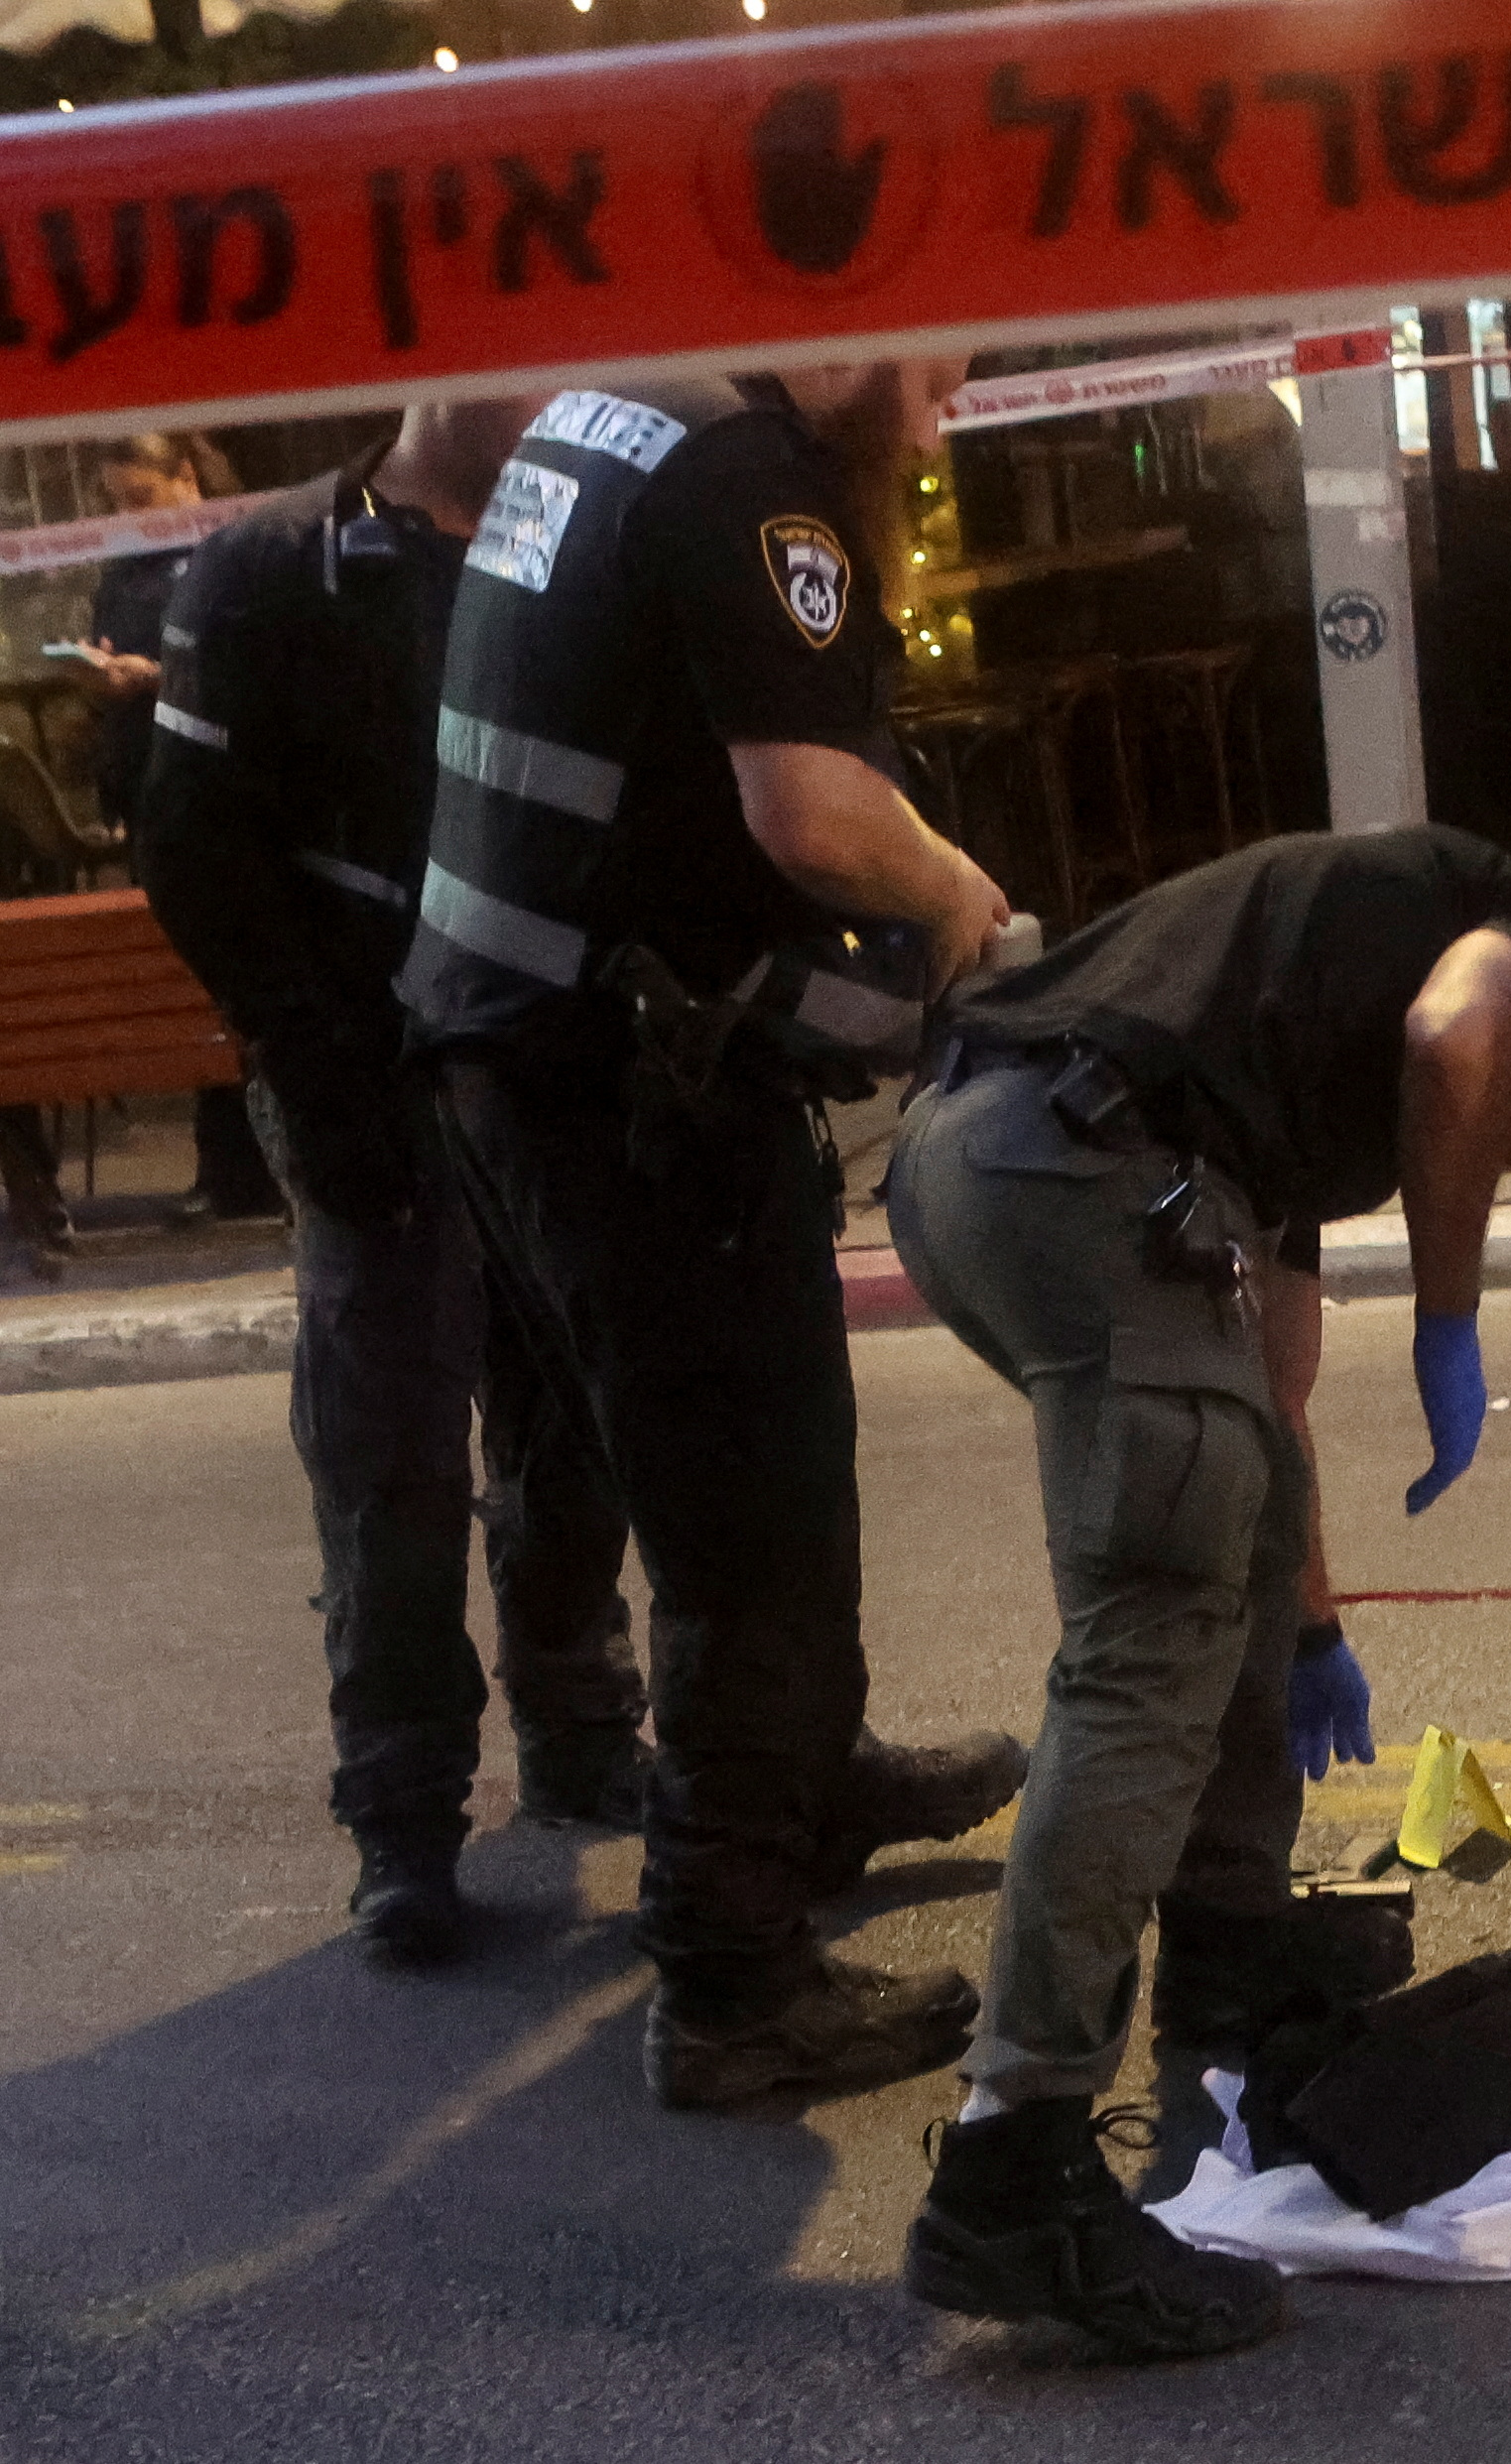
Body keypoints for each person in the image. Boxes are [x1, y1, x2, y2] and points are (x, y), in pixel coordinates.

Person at [888, 825, 1511, 2358]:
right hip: (1076, 1167)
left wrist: (1316, 1629)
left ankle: (1227, 1939)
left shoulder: (1276, 1060)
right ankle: (1015, 2165)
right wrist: (1449, 1314)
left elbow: (1270, 1400)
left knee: (1231, 1518)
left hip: (984, 1154)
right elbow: (1459, 1040)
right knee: (1149, 1641)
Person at [396, 364, 1027, 2108]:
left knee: (746, 1487)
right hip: (634, 1090)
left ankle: (807, 1786)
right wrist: (954, 895)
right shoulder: (751, 476)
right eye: (941, 364)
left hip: (515, 1045)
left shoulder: (614, 409)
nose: (941, 413)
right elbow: (807, 810)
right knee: (750, 1534)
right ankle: (735, 1980)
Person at [132, 395, 661, 1965]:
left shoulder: (586, 542)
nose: (554, 400)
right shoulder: (274, 567)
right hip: (373, 1074)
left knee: (575, 1431)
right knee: (393, 1464)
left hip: (551, 1072)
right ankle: (405, 1815)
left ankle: (579, 1730)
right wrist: (316, 1067)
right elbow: (193, 847)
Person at [81, 432, 282, 1225]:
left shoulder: (234, 550)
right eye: (114, 504)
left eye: (139, 498)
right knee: (192, 985)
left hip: (221, 788)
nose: (128, 516)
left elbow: (258, 666)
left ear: (188, 476)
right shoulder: (127, 568)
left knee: (236, 980)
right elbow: (115, 635)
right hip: (149, 785)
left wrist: (158, 678)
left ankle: (254, 1162)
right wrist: (99, 669)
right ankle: (227, 1164)